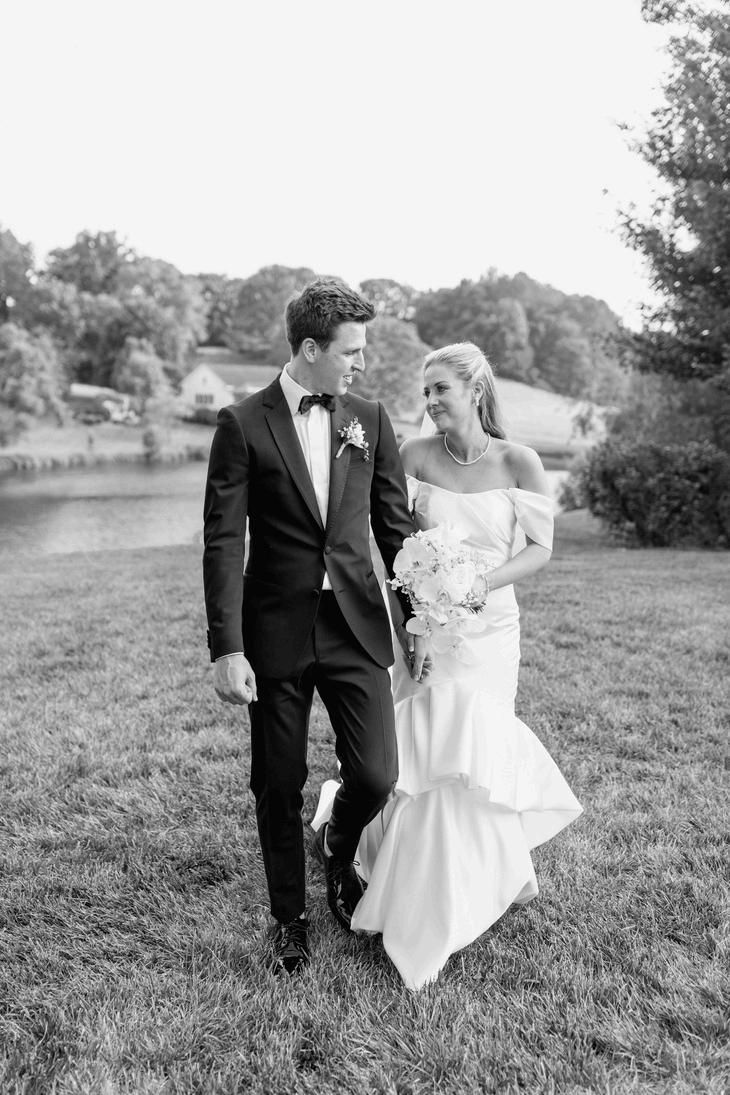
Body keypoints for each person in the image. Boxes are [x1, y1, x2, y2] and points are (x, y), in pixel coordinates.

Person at [313, 341, 583, 990]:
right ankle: (411, 880)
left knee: (473, 750)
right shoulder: (412, 456)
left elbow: (540, 548)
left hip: (491, 629)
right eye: (425, 390)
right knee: (426, 748)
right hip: (426, 628)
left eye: (441, 389)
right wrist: (413, 625)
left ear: (475, 390)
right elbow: (394, 548)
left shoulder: (519, 461)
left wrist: (478, 584)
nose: (430, 400)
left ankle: (479, 879)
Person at [202, 278, 425, 976]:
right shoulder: (242, 423)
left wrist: (416, 617)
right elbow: (223, 541)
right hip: (276, 629)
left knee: (376, 772)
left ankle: (337, 843)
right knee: (279, 778)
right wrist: (227, 647)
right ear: (309, 348)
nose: (361, 363)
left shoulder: (371, 419)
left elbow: (394, 528)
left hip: (355, 621)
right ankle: (289, 919)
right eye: (351, 351)